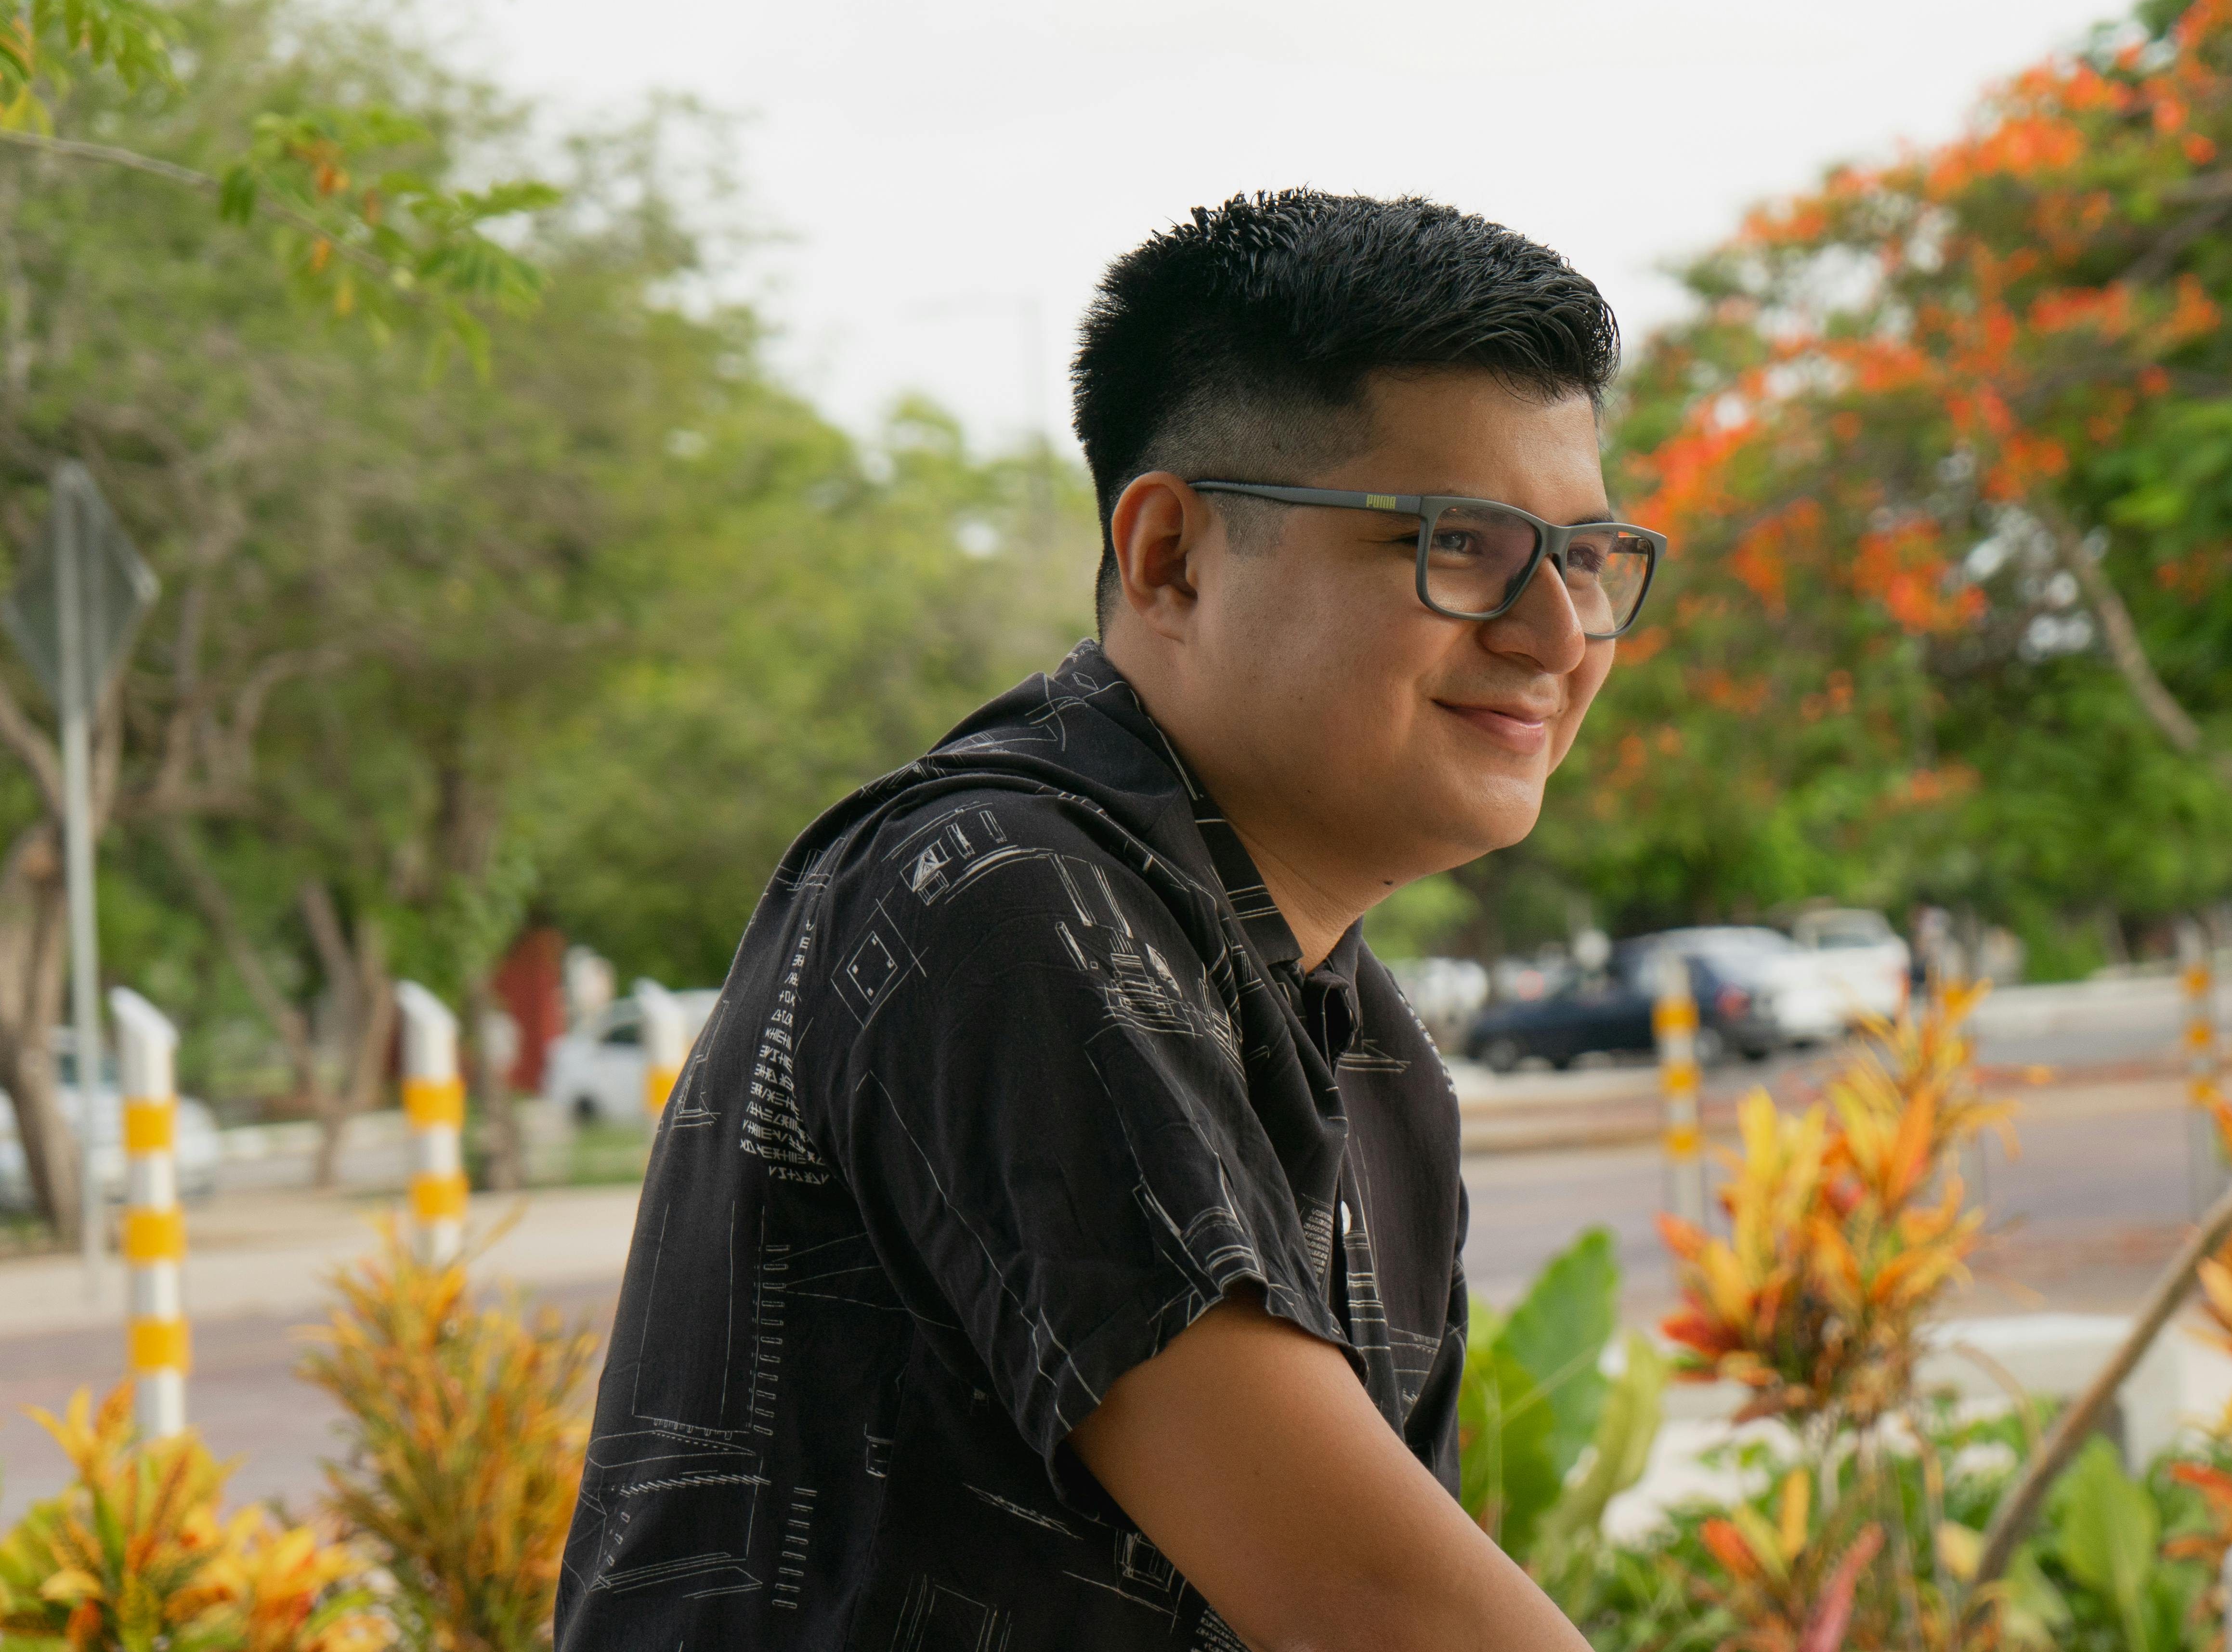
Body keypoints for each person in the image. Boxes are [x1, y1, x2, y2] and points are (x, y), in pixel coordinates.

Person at [555, 190, 1664, 1649]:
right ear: (1172, 558)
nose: (1558, 636)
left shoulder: (1375, 1053)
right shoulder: (990, 896)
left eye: (1584, 558)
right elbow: (1368, 1610)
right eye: (1463, 544)